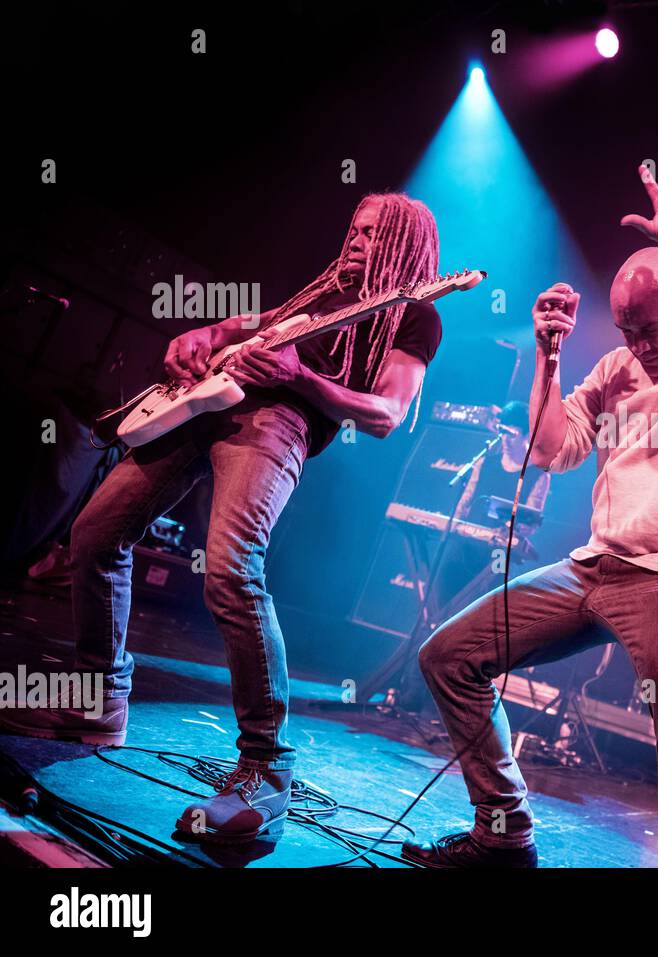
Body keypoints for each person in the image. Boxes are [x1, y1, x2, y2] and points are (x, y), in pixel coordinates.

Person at [0, 193, 444, 844]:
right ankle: (97, 699)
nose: (355, 238)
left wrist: (299, 380)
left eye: (373, 233)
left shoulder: (414, 315)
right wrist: (206, 334)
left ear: (405, 242)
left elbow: (383, 414)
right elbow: (257, 322)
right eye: (353, 227)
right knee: (97, 529)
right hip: (206, 406)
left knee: (233, 566)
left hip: (276, 422)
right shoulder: (325, 289)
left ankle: (266, 769)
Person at [403, 153, 658, 868]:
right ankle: (504, 829)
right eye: (626, 329)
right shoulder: (616, 369)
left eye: (649, 326)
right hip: (594, 568)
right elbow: (552, 451)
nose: (638, 344)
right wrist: (549, 355)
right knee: (448, 655)